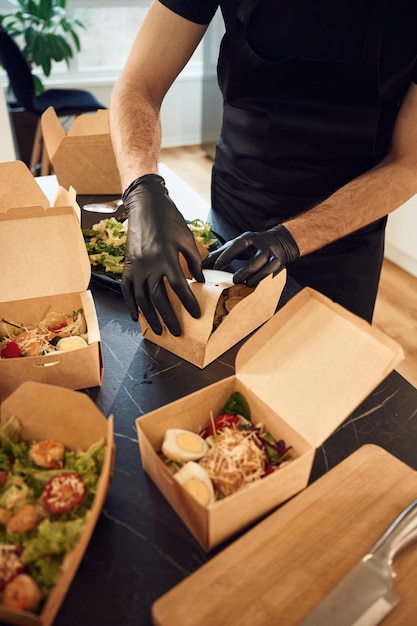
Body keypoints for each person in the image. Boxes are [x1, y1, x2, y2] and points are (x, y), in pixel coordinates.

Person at [109, 0, 417, 336]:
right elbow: (139, 84)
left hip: (343, 240)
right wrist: (143, 189)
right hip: (234, 211)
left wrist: (291, 237)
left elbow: (409, 162)